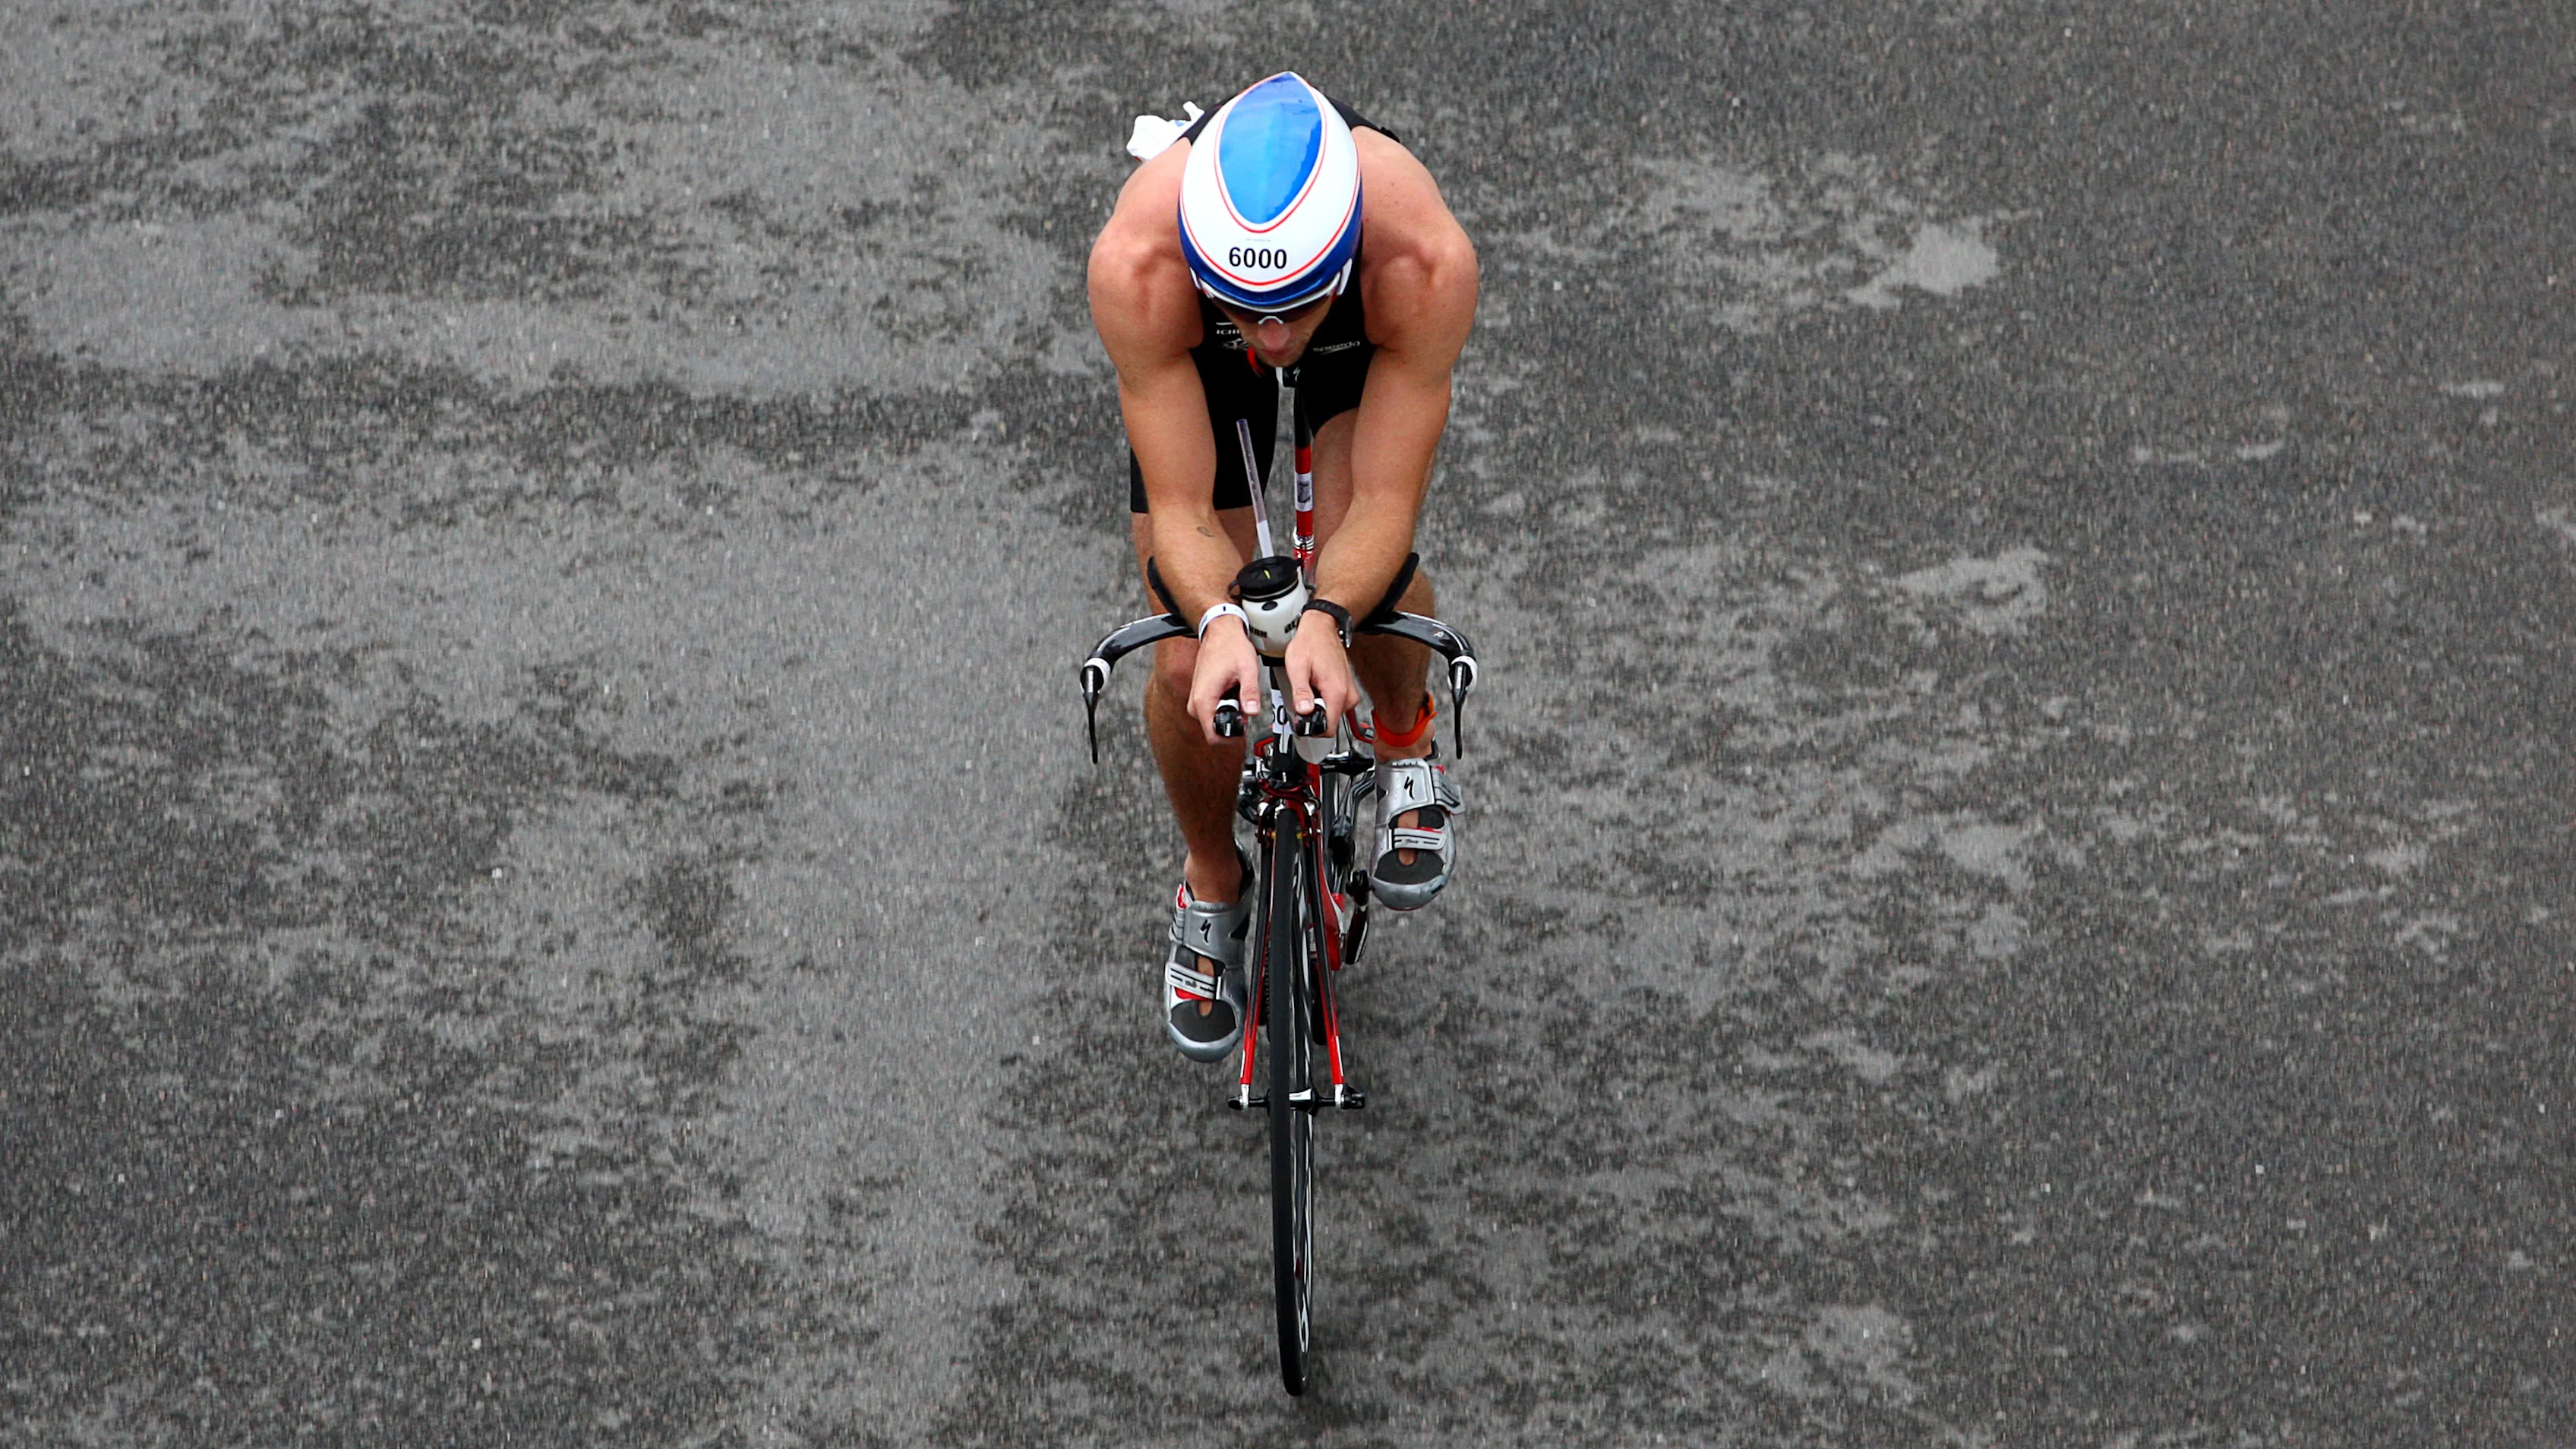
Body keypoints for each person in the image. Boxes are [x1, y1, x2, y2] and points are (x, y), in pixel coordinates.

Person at [1088, 72, 1479, 1061]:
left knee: (1373, 596)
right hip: (1195, 351)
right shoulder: (1142, 266)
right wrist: (1221, 623)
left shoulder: (1419, 260)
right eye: (1248, 310)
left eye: (1291, 310)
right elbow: (1178, 511)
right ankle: (1214, 880)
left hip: (1364, 335)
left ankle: (1403, 745)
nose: (1270, 337)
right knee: (1186, 666)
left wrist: (1327, 614)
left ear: (1342, 260)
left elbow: (1385, 504)